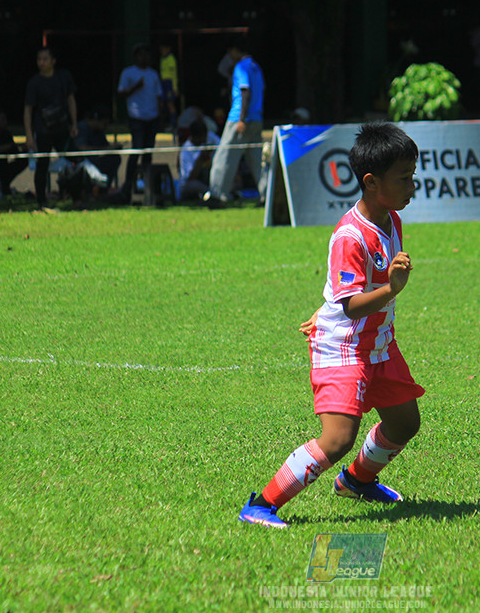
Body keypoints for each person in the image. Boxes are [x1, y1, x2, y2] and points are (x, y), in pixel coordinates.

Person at [238, 122, 423, 528]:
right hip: (343, 347)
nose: (414, 186)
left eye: (413, 176)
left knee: (405, 421)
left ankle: (356, 481)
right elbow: (353, 305)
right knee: (337, 439)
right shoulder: (349, 236)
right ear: (372, 182)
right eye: (405, 178)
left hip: (379, 344)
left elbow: (339, 293)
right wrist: (391, 289)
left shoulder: (392, 218)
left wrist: (326, 308)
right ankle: (262, 505)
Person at [206, 42, 264, 208]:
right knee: (258, 160)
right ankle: (267, 195)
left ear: (235, 50)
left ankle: (217, 195)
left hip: (239, 118)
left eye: (230, 51)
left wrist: (241, 119)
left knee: (224, 157)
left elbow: (245, 92)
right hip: (257, 118)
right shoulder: (256, 67)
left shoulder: (241, 67)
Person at [24, 46, 78, 207]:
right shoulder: (34, 83)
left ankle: (76, 197)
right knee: (42, 165)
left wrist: (74, 123)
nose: (42, 62)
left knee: (75, 160)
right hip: (43, 131)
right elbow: (28, 110)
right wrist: (28, 135)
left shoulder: (64, 77)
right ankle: (41, 201)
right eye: (39, 59)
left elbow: (71, 100)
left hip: (63, 129)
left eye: (45, 59)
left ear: (53, 61)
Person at [117, 43, 162, 201]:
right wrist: (135, 87)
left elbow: (159, 96)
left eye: (145, 54)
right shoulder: (128, 73)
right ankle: (128, 185)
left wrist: (160, 115)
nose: (143, 57)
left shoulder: (153, 74)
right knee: (136, 151)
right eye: (140, 54)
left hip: (152, 117)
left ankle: (147, 186)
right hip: (136, 118)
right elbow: (121, 93)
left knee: (148, 154)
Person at [73, 105, 122, 187]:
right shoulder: (82, 127)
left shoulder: (99, 131)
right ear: (96, 120)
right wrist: (106, 149)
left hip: (95, 159)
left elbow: (105, 146)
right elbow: (82, 148)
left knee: (114, 159)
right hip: (81, 161)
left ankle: (103, 188)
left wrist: (112, 148)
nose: (106, 127)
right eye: (105, 124)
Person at [177, 118, 219, 202]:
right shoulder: (186, 151)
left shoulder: (211, 137)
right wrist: (201, 159)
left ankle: (215, 193)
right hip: (192, 184)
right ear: (196, 137)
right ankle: (213, 194)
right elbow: (190, 179)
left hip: (210, 177)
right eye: (203, 137)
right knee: (193, 185)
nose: (205, 139)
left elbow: (224, 150)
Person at [159, 43, 179, 131]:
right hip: (163, 83)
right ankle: (162, 125)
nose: (162, 51)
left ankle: (173, 125)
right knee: (162, 104)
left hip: (169, 83)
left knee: (171, 104)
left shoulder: (171, 59)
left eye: (164, 49)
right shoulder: (162, 59)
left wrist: (175, 87)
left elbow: (174, 74)